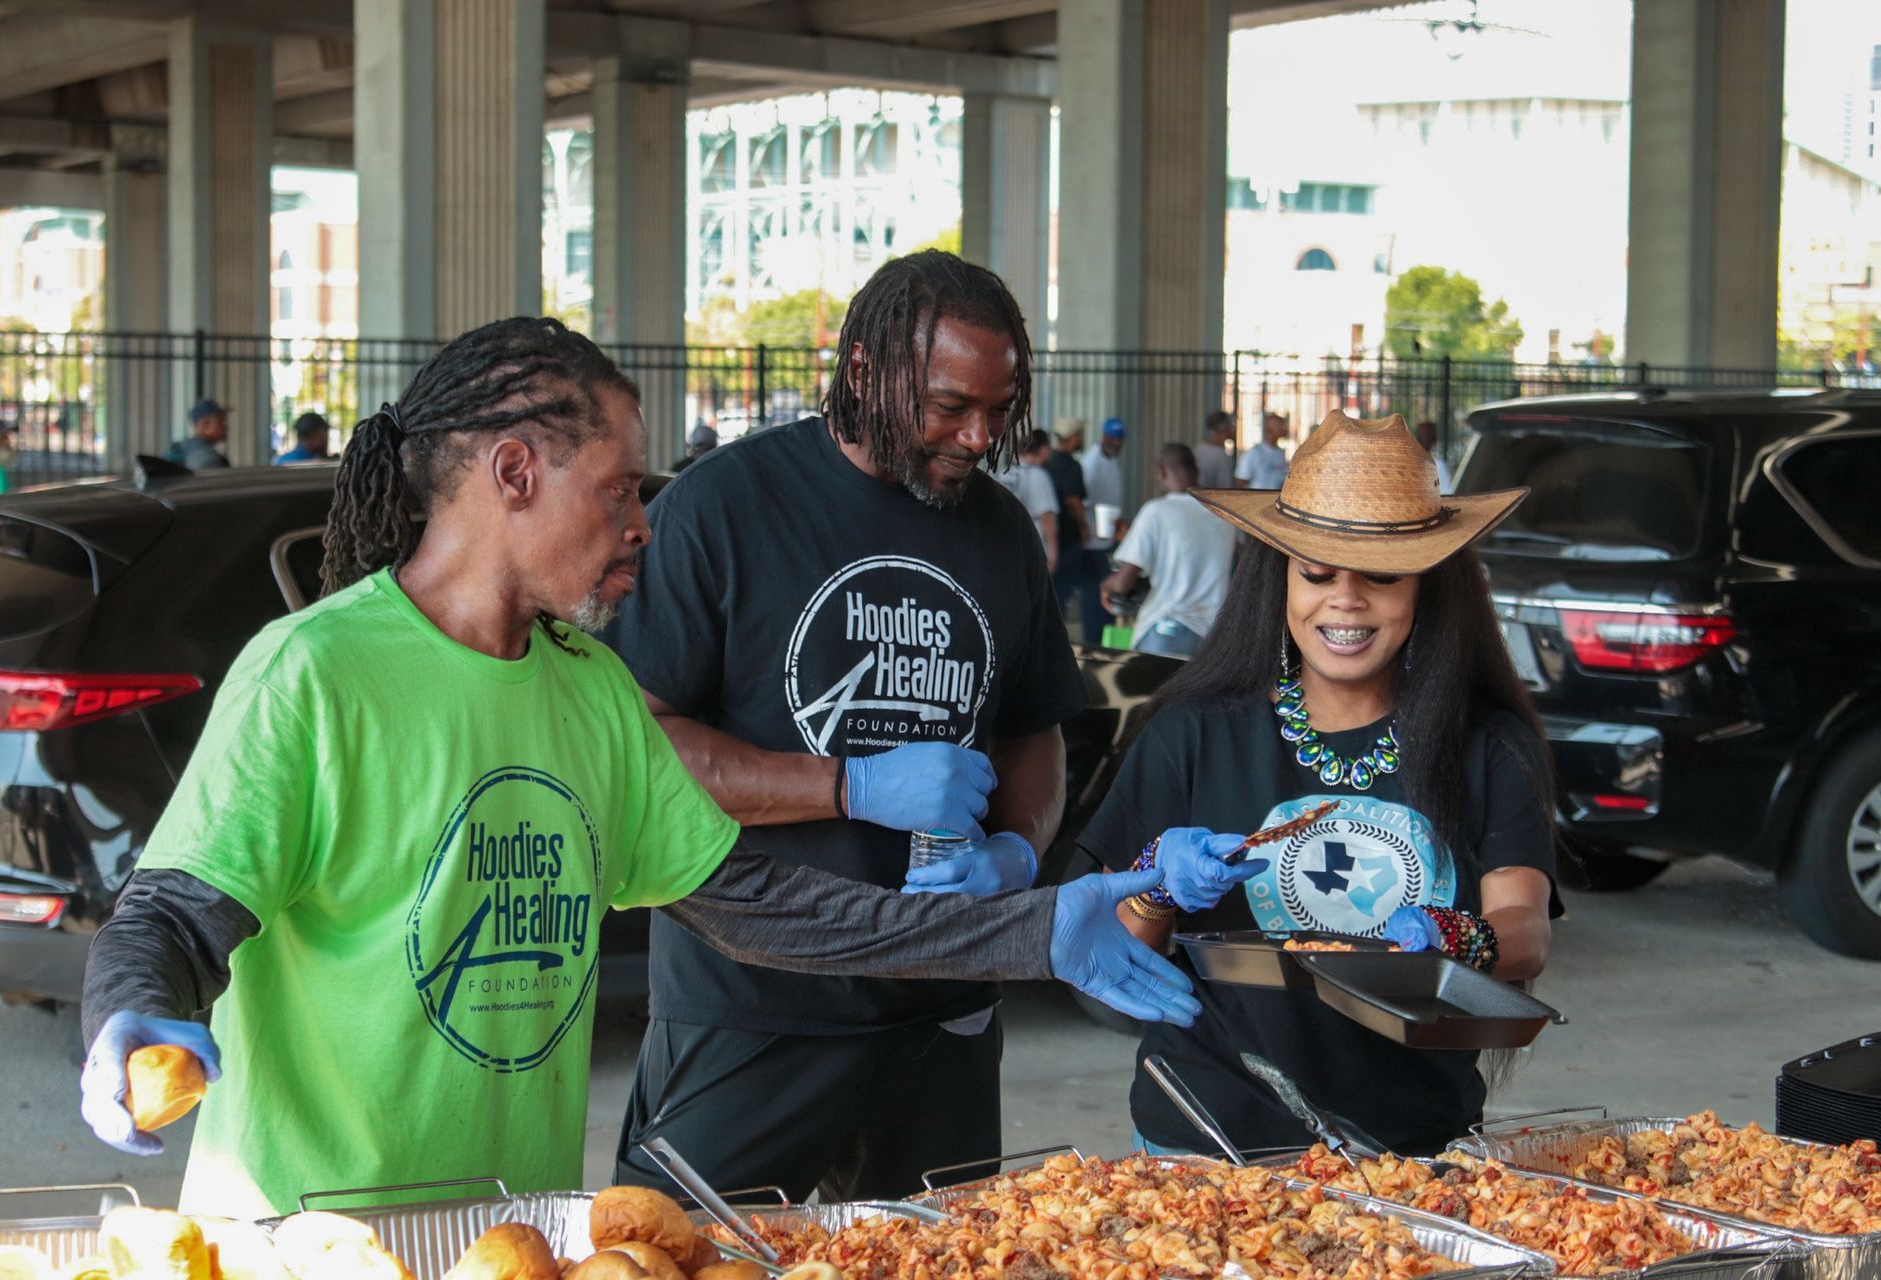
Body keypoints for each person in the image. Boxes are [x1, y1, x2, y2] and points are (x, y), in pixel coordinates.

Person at [75, 316, 1203, 1220]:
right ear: (514, 470)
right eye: (618, 489)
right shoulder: (314, 674)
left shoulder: (590, 689)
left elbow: (767, 905)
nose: (642, 525)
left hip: (507, 1232)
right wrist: (130, 1013)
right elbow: (170, 913)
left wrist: (1037, 926)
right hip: (301, 1235)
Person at [603, 250, 1097, 1202]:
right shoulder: (723, 509)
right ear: (863, 370)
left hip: (943, 1006)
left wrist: (1018, 854)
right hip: (753, 1006)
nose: (977, 435)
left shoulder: (997, 530)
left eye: (998, 410)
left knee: (931, 1267)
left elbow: (1037, 729)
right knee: (686, 1263)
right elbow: (637, 746)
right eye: (950, 406)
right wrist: (849, 784)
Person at [1078, 409, 1559, 1158]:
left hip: (1412, 1147)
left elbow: (1526, 930)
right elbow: (1113, 938)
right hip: (1207, 1140)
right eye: (1317, 572)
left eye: (1381, 576)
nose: (1345, 599)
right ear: (1280, 579)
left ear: (1428, 589)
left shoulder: (1491, 744)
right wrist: (1157, 882)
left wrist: (1452, 934)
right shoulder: (1192, 731)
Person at [1098, 444, 1236, 658]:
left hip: (1166, 632)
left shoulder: (1156, 511)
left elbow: (1123, 582)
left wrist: (1106, 587)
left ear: (1160, 471)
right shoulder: (1225, 514)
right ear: (1196, 471)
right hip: (1213, 638)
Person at [1049, 419, 1111, 644]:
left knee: (1056, 596)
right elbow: (1073, 501)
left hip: (1054, 539)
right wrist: (1085, 528)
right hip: (1069, 541)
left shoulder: (1050, 461)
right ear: (1075, 437)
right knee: (1074, 591)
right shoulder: (1071, 466)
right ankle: (1073, 642)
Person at [995, 428, 1060, 572]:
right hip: (1031, 543)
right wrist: (1053, 552)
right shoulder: (1038, 475)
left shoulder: (1005, 471)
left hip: (1005, 542)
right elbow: (1046, 515)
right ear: (1043, 449)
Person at [1079, 417, 1127, 536]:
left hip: (1110, 529)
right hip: (1093, 531)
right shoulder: (1090, 462)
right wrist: (1088, 526)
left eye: (1120, 439)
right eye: (1113, 438)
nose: (1117, 443)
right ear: (1104, 436)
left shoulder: (1113, 458)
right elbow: (1082, 500)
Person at [165, 398, 232, 470]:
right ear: (205, 425)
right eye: (221, 422)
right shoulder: (203, 454)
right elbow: (208, 474)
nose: (226, 427)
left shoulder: (186, 448)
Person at [1238, 412, 1291, 490]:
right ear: (1270, 429)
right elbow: (1241, 481)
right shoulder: (1254, 452)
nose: (1285, 429)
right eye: (1281, 426)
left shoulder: (1281, 453)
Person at [1193, 410, 1235, 489]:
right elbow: (1226, 489)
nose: (1233, 429)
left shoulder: (1198, 449)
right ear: (1224, 428)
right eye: (1230, 425)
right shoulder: (1223, 457)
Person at [1417, 419, 1453, 493]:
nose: (1426, 439)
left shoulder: (1439, 465)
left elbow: (1445, 493)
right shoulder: (1411, 464)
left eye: (1428, 435)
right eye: (1424, 436)